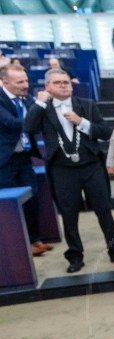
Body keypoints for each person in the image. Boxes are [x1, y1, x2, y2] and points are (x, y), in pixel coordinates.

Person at [25, 68, 114, 273]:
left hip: (91, 166)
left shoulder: (86, 105)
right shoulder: (42, 109)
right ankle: (75, 256)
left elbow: (106, 133)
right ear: (47, 86)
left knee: (104, 211)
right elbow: (28, 127)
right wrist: (39, 103)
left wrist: (82, 122)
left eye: (66, 82)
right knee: (69, 215)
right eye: (58, 83)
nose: (63, 85)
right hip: (62, 170)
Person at [0, 63, 51, 256]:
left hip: (24, 158)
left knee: (32, 199)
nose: (25, 85)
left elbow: (40, 119)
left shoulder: (26, 99)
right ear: (5, 82)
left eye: (26, 80)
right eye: (19, 81)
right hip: (4, 161)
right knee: (12, 204)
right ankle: (18, 247)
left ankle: (35, 241)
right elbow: (12, 123)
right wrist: (38, 106)